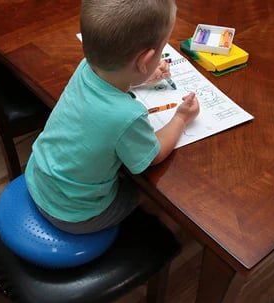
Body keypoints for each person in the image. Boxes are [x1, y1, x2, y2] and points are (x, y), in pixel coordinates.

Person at [25, 0, 199, 234]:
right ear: (144, 61)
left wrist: (143, 77)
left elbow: (109, 86)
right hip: (74, 215)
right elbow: (153, 155)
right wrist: (181, 118)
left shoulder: (86, 67)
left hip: (39, 177)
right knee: (153, 197)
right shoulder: (129, 117)